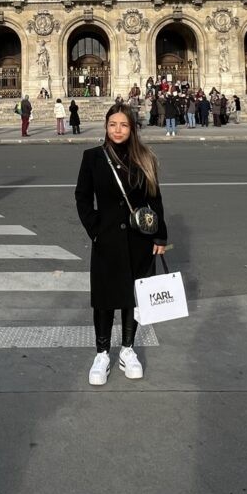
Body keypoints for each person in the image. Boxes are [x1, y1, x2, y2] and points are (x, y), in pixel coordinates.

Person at [75, 103, 168, 386]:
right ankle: (102, 353)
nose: (118, 130)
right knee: (104, 299)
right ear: (105, 126)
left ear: (132, 129)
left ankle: (127, 349)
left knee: (132, 296)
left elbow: (154, 198)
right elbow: (82, 197)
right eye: (113, 124)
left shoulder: (145, 157)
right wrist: (95, 229)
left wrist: (160, 236)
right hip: (107, 238)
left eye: (124, 125)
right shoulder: (92, 157)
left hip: (138, 239)